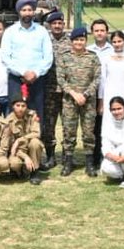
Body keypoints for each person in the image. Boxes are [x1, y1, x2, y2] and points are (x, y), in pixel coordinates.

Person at [0, 0, 54, 120]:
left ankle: (36, 133)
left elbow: (48, 57)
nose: (27, 13)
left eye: (30, 10)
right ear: (19, 12)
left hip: (37, 79)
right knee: (16, 116)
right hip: (16, 79)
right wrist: (23, 72)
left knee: (36, 115)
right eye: (24, 10)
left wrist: (36, 73)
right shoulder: (10, 32)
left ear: (33, 12)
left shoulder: (42, 31)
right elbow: (5, 57)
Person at [57, 26, 101, 176]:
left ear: (86, 41)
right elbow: (61, 79)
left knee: (88, 132)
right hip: (70, 100)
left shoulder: (93, 57)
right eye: (76, 40)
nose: (79, 42)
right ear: (72, 41)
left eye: (82, 40)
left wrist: (86, 95)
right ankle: (68, 161)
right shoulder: (64, 57)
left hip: (88, 101)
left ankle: (89, 163)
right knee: (69, 131)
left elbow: (97, 79)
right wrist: (74, 94)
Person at [42, 10, 71, 165]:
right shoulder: (44, 40)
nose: (57, 26)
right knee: (49, 124)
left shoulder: (71, 41)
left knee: (68, 124)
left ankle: (67, 156)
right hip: (50, 89)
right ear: (50, 25)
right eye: (54, 23)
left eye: (60, 23)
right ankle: (50, 156)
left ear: (63, 24)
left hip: (67, 90)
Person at [4, 86, 45, 185]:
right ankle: (18, 171)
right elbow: (10, 146)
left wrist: (20, 139)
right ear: (13, 106)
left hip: (30, 148)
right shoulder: (8, 121)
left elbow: (37, 133)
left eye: (23, 106)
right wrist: (25, 157)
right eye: (18, 105)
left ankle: (34, 172)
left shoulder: (32, 115)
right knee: (15, 164)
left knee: (35, 142)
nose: (20, 108)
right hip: (17, 151)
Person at [88, 19, 113, 170]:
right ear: (92, 32)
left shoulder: (113, 50)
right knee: (94, 126)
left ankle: (107, 155)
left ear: (107, 32)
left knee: (107, 126)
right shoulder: (88, 50)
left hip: (109, 92)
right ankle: (94, 157)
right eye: (96, 30)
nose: (99, 33)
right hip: (92, 92)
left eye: (102, 30)